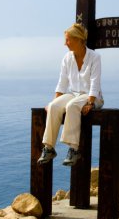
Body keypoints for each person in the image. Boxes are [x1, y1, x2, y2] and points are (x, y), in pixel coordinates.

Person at [37, 23, 103, 167]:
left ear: (79, 39)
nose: (65, 43)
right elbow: (62, 82)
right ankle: (48, 148)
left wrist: (90, 103)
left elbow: (94, 82)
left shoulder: (94, 57)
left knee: (72, 106)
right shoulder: (67, 58)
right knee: (54, 106)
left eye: (68, 40)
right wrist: (55, 101)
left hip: (91, 96)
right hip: (73, 94)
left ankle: (74, 149)